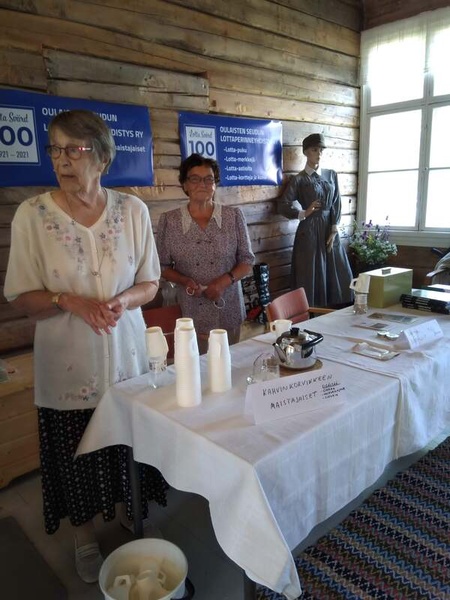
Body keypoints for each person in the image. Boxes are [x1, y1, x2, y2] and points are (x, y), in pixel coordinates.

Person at [4, 109, 168, 583]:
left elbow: (150, 283)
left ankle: (131, 510)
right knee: (75, 452)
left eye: (74, 150)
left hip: (128, 359)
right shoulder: (33, 216)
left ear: (102, 158)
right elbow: (21, 296)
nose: (61, 160)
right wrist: (67, 300)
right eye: (55, 149)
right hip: (67, 366)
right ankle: (84, 535)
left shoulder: (132, 210)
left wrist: (123, 300)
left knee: (128, 443)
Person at [156, 153, 255, 351]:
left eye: (209, 179)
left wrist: (223, 282)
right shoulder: (169, 221)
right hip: (190, 310)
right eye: (195, 179)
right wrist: (185, 281)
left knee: (228, 361)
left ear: (215, 184)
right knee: (195, 362)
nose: (202, 184)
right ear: (185, 185)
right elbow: (162, 266)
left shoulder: (233, 216)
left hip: (228, 307)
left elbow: (247, 260)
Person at [277, 133, 353, 307]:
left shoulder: (331, 175)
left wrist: (334, 227)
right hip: (309, 231)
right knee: (310, 272)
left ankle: (336, 311)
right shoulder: (299, 179)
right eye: (314, 150)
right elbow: (282, 205)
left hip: (329, 230)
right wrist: (303, 213)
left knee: (339, 270)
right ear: (306, 152)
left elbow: (336, 202)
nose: (319, 154)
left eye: (321, 150)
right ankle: (311, 312)